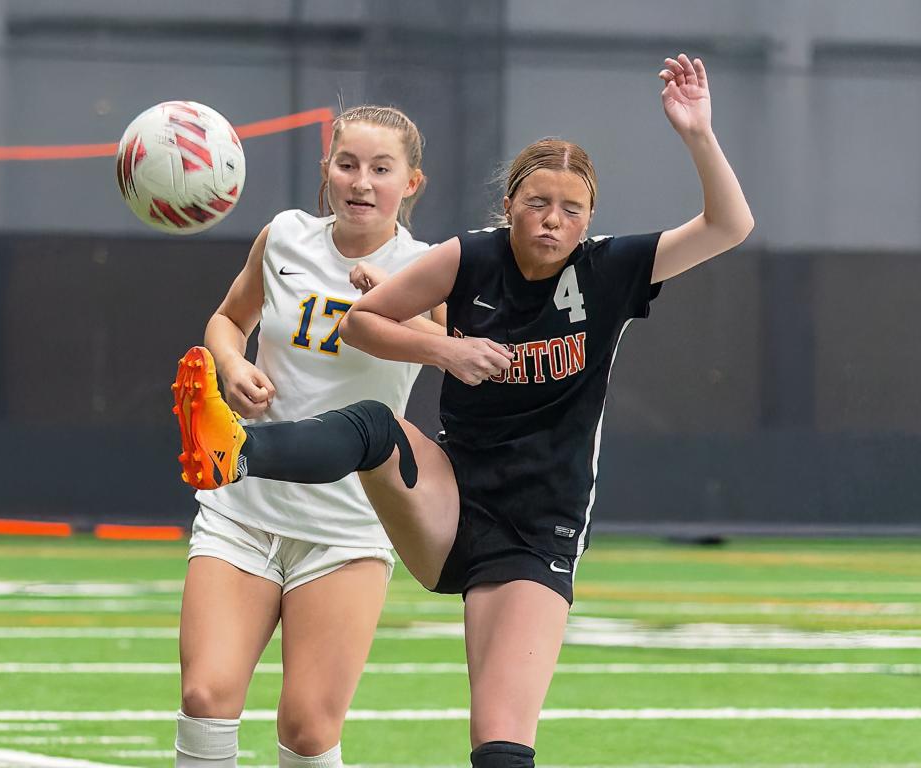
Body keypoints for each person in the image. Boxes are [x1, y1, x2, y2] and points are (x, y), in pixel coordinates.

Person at [173, 54, 753, 767]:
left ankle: (241, 452)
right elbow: (349, 324)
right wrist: (443, 348)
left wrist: (697, 132)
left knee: (411, 738)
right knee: (209, 692)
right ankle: (236, 451)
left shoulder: (604, 271)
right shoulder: (452, 256)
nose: (552, 220)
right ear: (508, 203)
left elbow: (728, 225)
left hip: (496, 526)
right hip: (411, 498)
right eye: (537, 202)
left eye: (571, 209)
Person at [172, 105, 446, 768]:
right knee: (206, 695)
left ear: (411, 184)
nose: (361, 181)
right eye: (347, 164)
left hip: (348, 526)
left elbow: (466, 358)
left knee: (308, 730)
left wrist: (397, 309)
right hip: (245, 509)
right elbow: (228, 320)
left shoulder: (428, 267)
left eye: (382, 169)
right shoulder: (286, 237)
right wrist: (233, 364)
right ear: (326, 170)